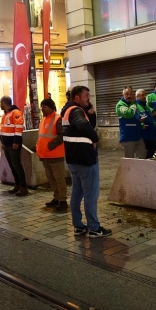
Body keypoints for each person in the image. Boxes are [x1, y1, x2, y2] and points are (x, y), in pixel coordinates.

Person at [61, 86, 111, 238]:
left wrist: (91, 113)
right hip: (85, 160)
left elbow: (87, 125)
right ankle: (94, 228)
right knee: (91, 194)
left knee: (77, 193)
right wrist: (95, 138)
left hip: (73, 159)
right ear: (77, 97)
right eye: (86, 96)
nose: (88, 98)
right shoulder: (76, 111)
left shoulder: (67, 110)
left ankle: (78, 226)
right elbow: (83, 126)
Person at [37, 98, 68, 211]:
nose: (42, 109)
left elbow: (61, 135)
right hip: (45, 155)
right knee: (52, 179)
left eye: (44, 107)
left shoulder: (57, 118)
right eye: (42, 107)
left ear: (51, 107)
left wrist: (51, 145)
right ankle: (56, 198)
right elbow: (41, 137)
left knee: (59, 179)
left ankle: (63, 200)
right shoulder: (43, 120)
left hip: (55, 155)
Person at [0, 95, 28, 196]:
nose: (0, 105)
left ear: (4, 103)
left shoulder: (15, 112)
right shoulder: (6, 114)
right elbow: (4, 129)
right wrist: (3, 142)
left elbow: (19, 128)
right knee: (12, 166)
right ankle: (18, 185)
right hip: (7, 145)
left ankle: (24, 187)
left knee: (17, 166)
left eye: (0, 103)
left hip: (13, 144)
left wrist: (16, 142)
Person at [116, 86, 146, 159]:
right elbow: (129, 114)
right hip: (128, 137)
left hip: (138, 136)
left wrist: (140, 121)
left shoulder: (134, 104)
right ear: (122, 94)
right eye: (126, 94)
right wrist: (133, 103)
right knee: (129, 159)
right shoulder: (120, 105)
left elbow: (137, 116)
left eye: (130, 94)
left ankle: (138, 170)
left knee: (143, 156)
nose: (129, 96)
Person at [136, 89, 156, 158]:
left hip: (151, 135)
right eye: (142, 95)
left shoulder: (146, 106)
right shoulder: (136, 107)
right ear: (137, 96)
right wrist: (141, 125)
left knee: (152, 151)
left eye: (145, 94)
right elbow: (136, 119)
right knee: (143, 154)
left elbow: (151, 113)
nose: (145, 96)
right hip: (143, 136)